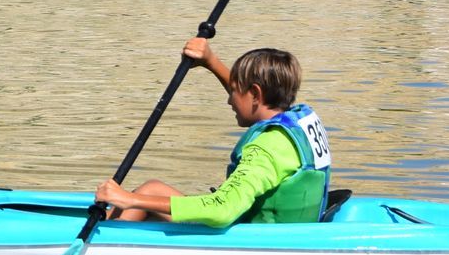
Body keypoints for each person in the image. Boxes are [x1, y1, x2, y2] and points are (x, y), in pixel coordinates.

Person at [96, 38, 331, 227]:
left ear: (256, 94)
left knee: (142, 197)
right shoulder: (297, 124)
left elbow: (222, 210)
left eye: (234, 91)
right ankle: (105, 222)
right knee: (152, 189)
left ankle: (100, 241)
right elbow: (254, 102)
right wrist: (211, 61)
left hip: (255, 239)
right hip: (288, 225)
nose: (229, 99)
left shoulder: (264, 150)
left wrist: (128, 199)